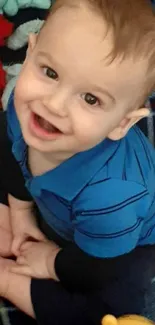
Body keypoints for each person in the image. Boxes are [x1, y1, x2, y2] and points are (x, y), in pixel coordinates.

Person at [0, 0, 155, 324]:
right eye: (50, 72)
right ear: (30, 53)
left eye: (90, 98)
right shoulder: (24, 103)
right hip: (54, 202)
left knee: (111, 304)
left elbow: (97, 266)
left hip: (119, 245)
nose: (53, 104)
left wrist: (50, 262)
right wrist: (20, 212)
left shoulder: (114, 195)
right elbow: (10, 151)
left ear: (122, 124)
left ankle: (10, 280)